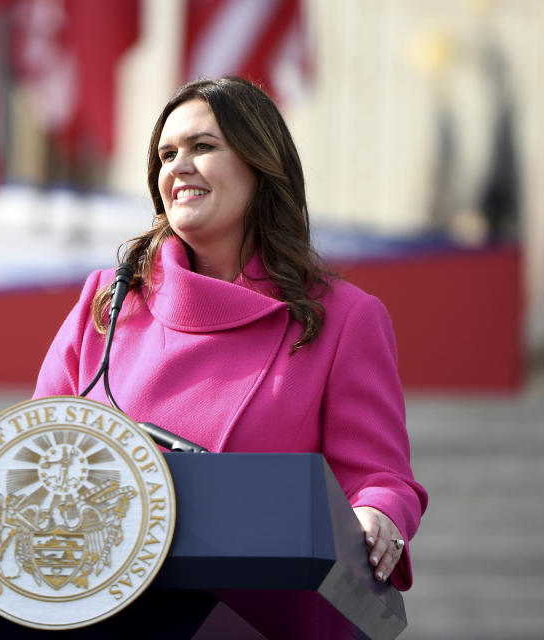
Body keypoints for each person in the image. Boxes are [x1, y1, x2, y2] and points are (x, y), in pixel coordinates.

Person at [33, 76, 428, 589]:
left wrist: (377, 517)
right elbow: (37, 449)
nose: (178, 166)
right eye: (166, 154)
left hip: (259, 603)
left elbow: (377, 477)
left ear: (260, 166)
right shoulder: (108, 301)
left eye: (203, 147)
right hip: (104, 597)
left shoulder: (343, 318)